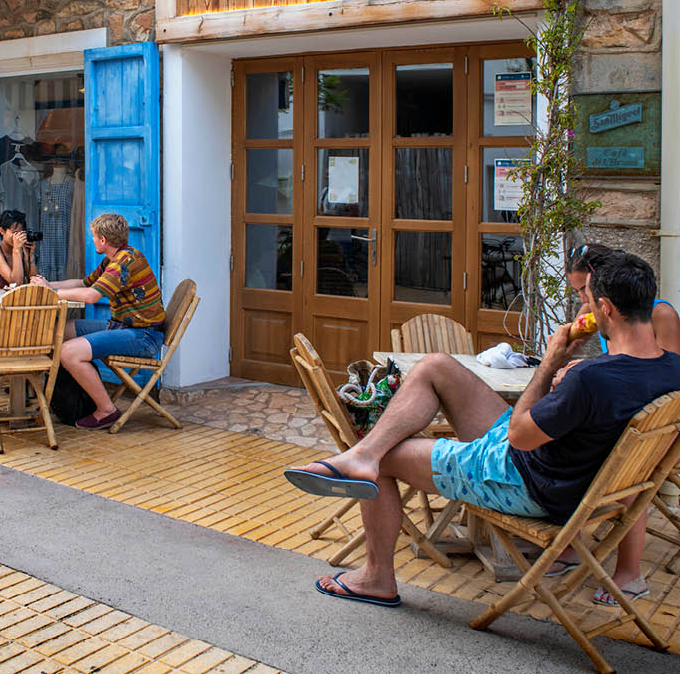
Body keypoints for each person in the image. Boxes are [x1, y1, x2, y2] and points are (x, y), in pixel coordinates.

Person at [284, 252, 680, 609]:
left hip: (523, 481)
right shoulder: (672, 372)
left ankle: (376, 576)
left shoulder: (593, 378)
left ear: (606, 309)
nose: (584, 307)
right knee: (436, 365)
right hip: (555, 470)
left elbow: (520, 436)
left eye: (588, 300)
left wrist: (551, 362)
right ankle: (362, 456)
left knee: (387, 456)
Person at [543, 244, 680, 603]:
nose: (582, 301)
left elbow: (665, 379)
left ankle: (630, 575)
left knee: (625, 465)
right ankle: (572, 547)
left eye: (584, 290)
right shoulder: (602, 312)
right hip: (625, 415)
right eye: (577, 293)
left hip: (659, 425)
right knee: (572, 441)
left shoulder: (658, 315)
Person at [31, 213, 166, 430]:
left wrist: (52, 294)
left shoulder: (123, 263)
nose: (92, 239)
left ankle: (106, 411)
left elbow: (91, 296)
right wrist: (48, 284)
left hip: (143, 336)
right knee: (61, 330)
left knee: (67, 352)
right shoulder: (115, 258)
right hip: (124, 327)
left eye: (93, 236)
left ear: (103, 240)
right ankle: (59, 396)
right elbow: (84, 284)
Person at [0, 210, 36, 289]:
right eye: (15, 233)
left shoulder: (22, 250)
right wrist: (16, 250)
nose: (18, 237)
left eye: (21, 233)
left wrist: (30, 255)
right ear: (2, 231)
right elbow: (16, 283)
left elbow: (35, 280)